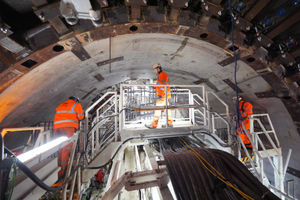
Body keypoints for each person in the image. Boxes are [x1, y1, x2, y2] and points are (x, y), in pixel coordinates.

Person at [53, 96, 84, 179]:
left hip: (57, 128)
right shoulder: (76, 105)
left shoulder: (61, 105)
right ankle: (63, 172)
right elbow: (81, 116)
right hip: (68, 128)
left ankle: (58, 170)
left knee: (60, 148)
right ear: (76, 100)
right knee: (66, 149)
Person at [146, 63, 173, 128]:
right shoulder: (162, 75)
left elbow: (162, 86)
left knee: (157, 110)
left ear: (158, 69)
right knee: (167, 110)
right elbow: (163, 86)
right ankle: (169, 124)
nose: (154, 71)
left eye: (155, 70)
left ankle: (154, 125)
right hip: (165, 96)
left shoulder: (162, 75)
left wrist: (159, 95)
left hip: (162, 96)